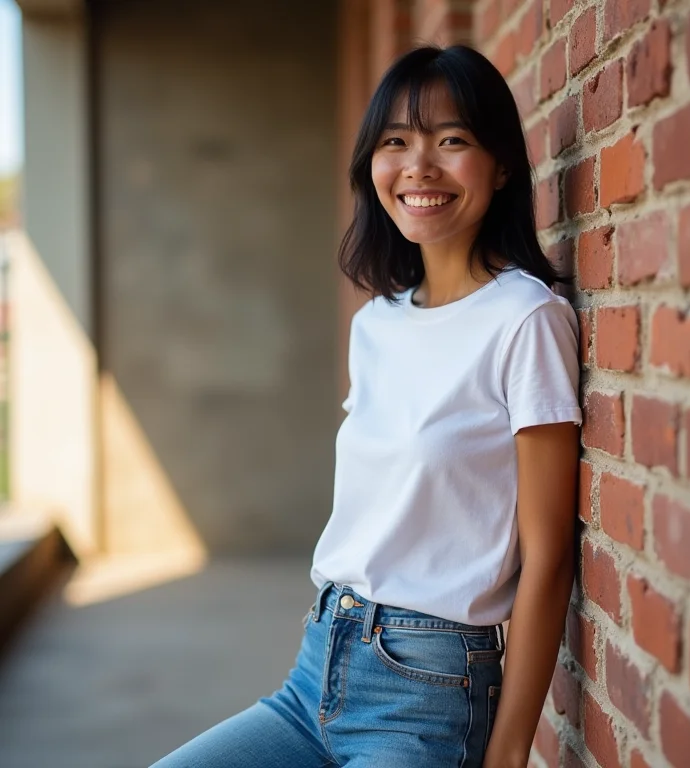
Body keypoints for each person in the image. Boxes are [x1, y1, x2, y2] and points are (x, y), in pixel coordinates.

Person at [151, 43, 581, 768]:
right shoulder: (378, 322)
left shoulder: (525, 320)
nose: (419, 166)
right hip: (317, 669)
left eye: (452, 141)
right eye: (395, 142)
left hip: (428, 690)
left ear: (502, 166)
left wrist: (508, 752)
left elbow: (548, 555)